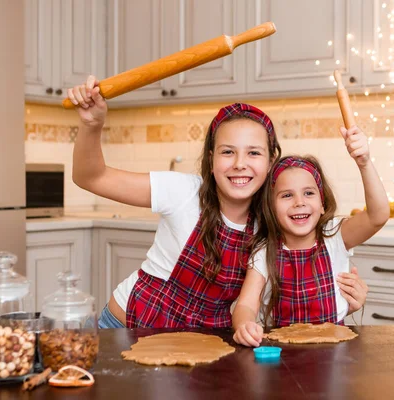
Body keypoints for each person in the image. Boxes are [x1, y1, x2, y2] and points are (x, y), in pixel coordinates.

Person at [67, 75, 283, 328]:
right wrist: (91, 124)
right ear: (211, 161)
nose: (239, 164)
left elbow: (337, 231)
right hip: (125, 330)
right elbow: (91, 177)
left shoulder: (272, 222)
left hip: (199, 349)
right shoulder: (183, 192)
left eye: (254, 153)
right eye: (228, 152)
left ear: (270, 162)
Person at [232, 125, 389, 347]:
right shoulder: (264, 252)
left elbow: (378, 215)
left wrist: (364, 163)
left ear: (322, 203)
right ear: (270, 207)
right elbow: (246, 305)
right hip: (281, 352)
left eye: (308, 193)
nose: (299, 202)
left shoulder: (335, 237)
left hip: (335, 349)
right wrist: (244, 326)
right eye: (287, 195)